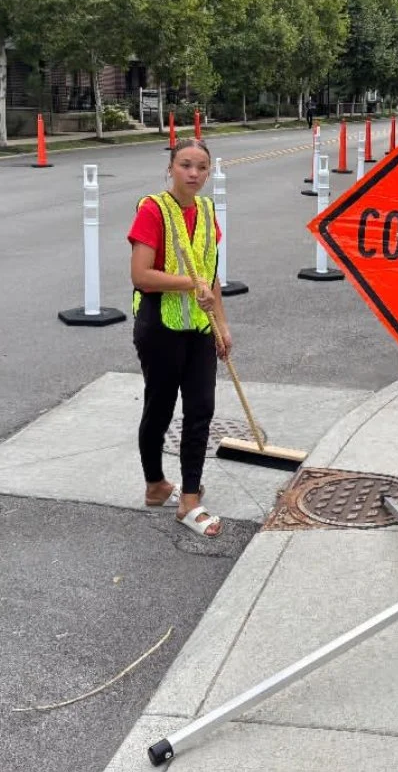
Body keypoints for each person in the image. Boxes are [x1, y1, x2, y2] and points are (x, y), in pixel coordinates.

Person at [127, 138, 230, 539]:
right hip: (160, 327)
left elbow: (212, 274)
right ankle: (155, 484)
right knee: (161, 407)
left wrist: (222, 325)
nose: (193, 174)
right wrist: (191, 283)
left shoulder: (206, 210)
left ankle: (188, 497)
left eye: (201, 167)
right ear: (170, 168)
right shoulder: (153, 210)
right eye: (185, 165)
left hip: (199, 328)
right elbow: (141, 276)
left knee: (201, 408)